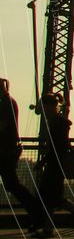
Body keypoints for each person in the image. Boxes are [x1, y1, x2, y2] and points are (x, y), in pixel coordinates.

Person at [35, 92, 74, 237]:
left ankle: (50, 227)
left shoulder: (55, 123)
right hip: (57, 163)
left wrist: (43, 161)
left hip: (55, 164)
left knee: (50, 196)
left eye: (44, 106)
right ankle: (51, 227)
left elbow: (56, 146)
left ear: (50, 106)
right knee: (53, 197)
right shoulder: (58, 121)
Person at [0, 78, 43, 229]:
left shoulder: (5, 103)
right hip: (6, 150)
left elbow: (2, 126)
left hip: (4, 151)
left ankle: (37, 213)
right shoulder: (8, 102)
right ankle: (37, 213)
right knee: (13, 184)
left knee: (13, 184)